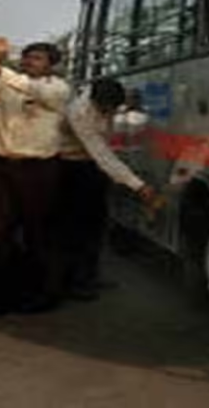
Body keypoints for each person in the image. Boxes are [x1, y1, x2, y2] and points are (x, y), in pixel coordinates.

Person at [0, 39, 71, 314]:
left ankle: (43, 294)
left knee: (38, 232)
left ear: (52, 65)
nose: (29, 62)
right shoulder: (6, 83)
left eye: (37, 58)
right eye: (27, 57)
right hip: (3, 167)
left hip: (40, 169)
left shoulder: (58, 89)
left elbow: (31, 89)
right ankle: (3, 295)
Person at [57, 78, 159, 300]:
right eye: (105, 109)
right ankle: (74, 282)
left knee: (97, 224)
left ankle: (89, 275)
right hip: (71, 168)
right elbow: (101, 154)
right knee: (76, 227)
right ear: (95, 101)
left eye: (112, 109)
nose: (109, 114)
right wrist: (138, 185)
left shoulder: (110, 103)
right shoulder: (79, 112)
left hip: (92, 167)